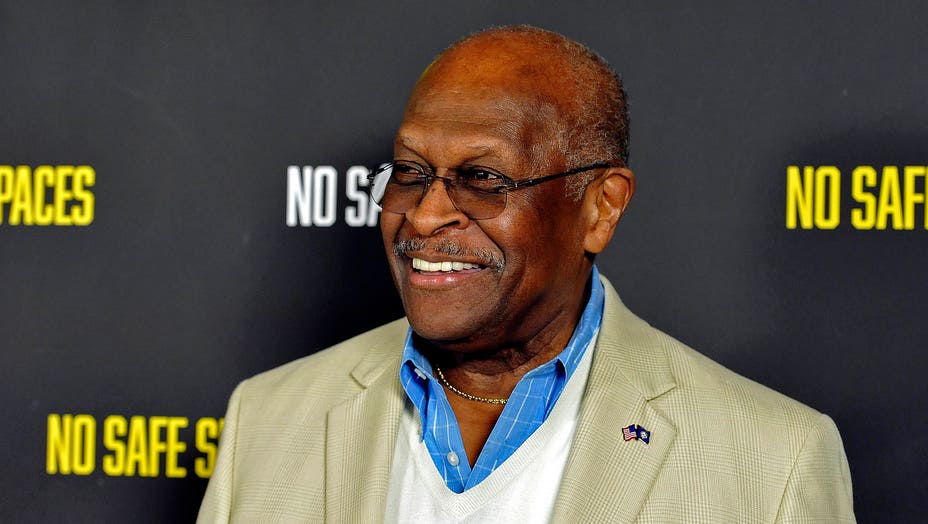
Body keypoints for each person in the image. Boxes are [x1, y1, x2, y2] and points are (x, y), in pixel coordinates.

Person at [198, 26, 855, 522]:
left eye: (484, 178)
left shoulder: (773, 462)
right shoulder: (268, 417)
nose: (426, 215)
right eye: (409, 172)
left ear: (600, 208)